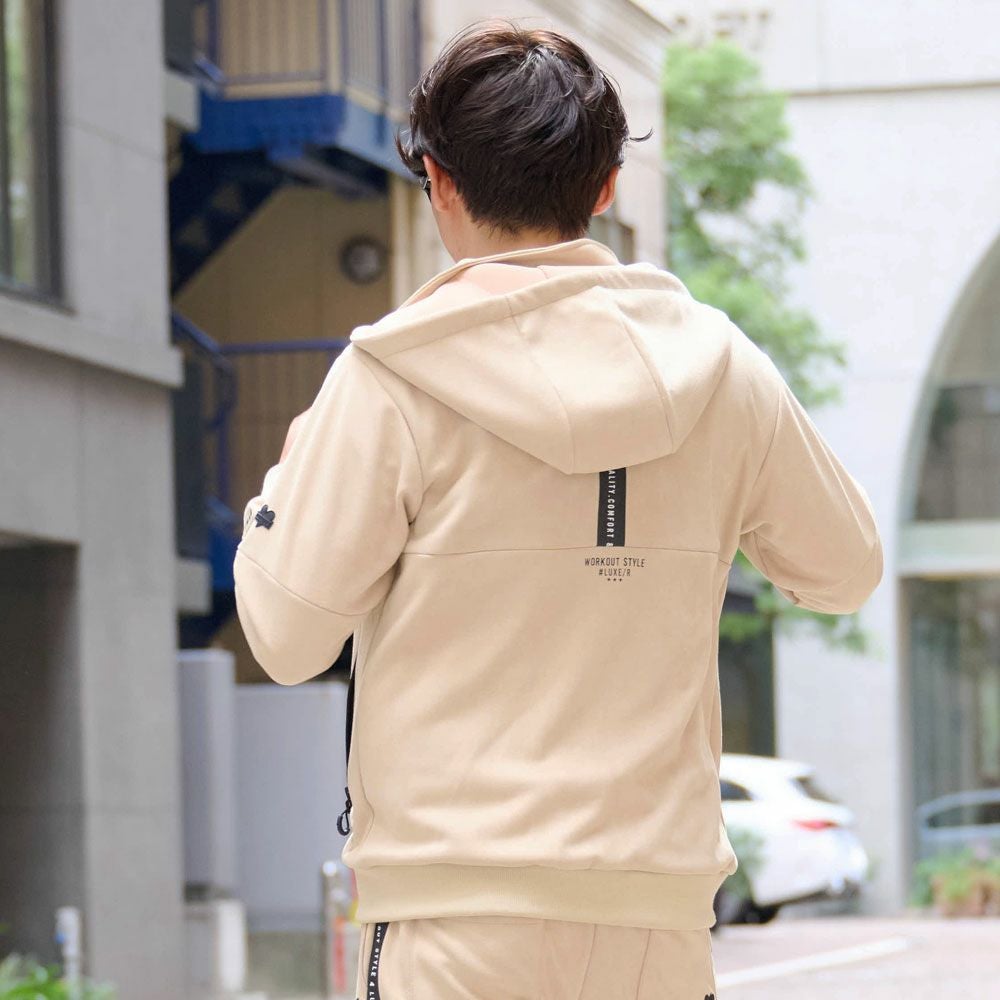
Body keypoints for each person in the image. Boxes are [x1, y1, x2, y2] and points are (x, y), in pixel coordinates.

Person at [233, 17, 883, 1000]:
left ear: (439, 181)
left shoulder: (389, 378)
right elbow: (846, 570)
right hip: (656, 925)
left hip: (455, 918)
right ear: (606, 186)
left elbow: (286, 638)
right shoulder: (722, 371)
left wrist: (281, 492)